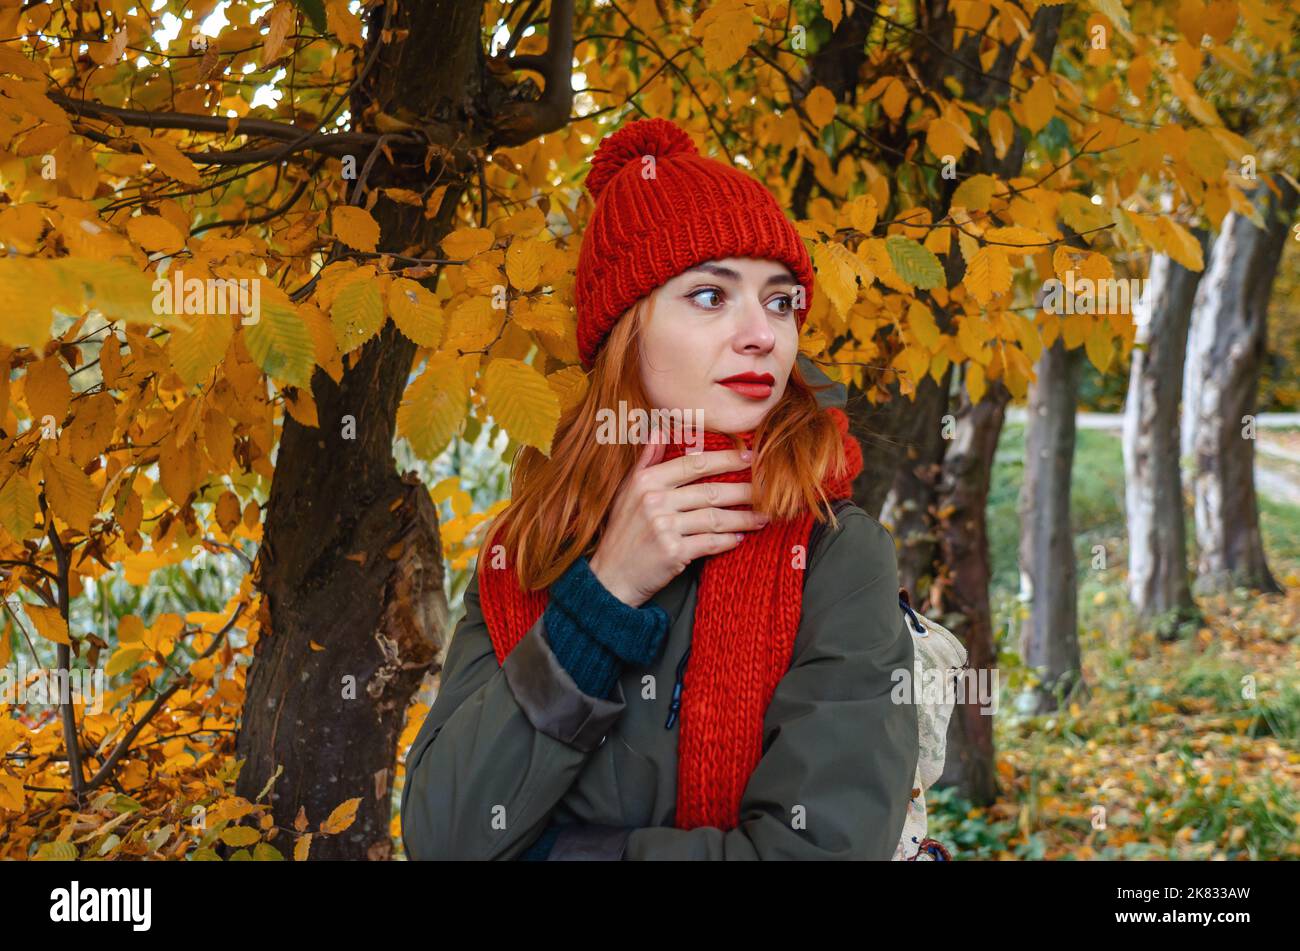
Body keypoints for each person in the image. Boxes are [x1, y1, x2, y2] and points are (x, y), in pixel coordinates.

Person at [400, 116, 918, 860]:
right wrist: (602, 599)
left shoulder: (834, 553)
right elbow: (445, 838)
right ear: (626, 328)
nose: (763, 335)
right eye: (711, 296)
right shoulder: (534, 550)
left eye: (779, 301)